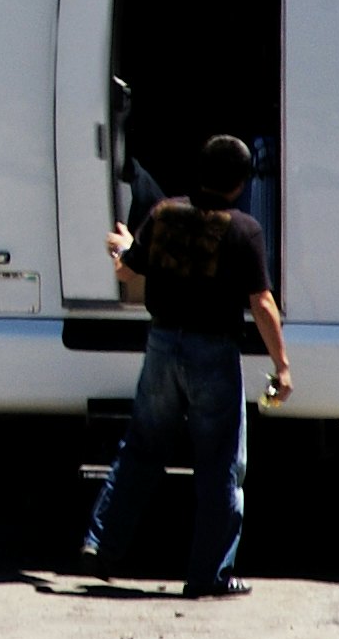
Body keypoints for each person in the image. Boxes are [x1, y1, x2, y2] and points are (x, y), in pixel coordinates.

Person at [81, 134, 292, 598]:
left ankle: (102, 542)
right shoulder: (243, 231)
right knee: (219, 465)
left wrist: (123, 246)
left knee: (140, 449)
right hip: (212, 354)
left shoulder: (164, 215)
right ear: (240, 184)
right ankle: (208, 575)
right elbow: (261, 302)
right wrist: (281, 365)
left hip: (161, 346)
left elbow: (126, 270)